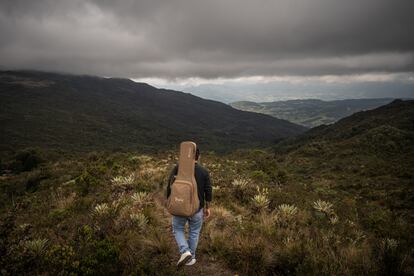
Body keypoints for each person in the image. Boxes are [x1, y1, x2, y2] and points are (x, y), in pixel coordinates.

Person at [166, 147, 212, 267]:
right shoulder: (204, 171)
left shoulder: (178, 168)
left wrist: (169, 201)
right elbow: (208, 191)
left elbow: (169, 185)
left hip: (180, 206)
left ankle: (185, 251)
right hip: (197, 209)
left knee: (178, 229)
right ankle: (191, 257)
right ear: (198, 156)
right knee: (194, 232)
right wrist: (207, 207)